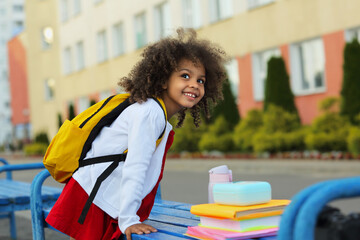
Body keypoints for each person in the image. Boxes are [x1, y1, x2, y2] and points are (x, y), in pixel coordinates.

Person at [45, 28, 228, 240]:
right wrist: (129, 220)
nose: (194, 85)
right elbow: (136, 165)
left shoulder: (153, 111)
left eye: (201, 80)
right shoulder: (150, 112)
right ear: (163, 79)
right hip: (96, 199)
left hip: (98, 195)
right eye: (185, 76)